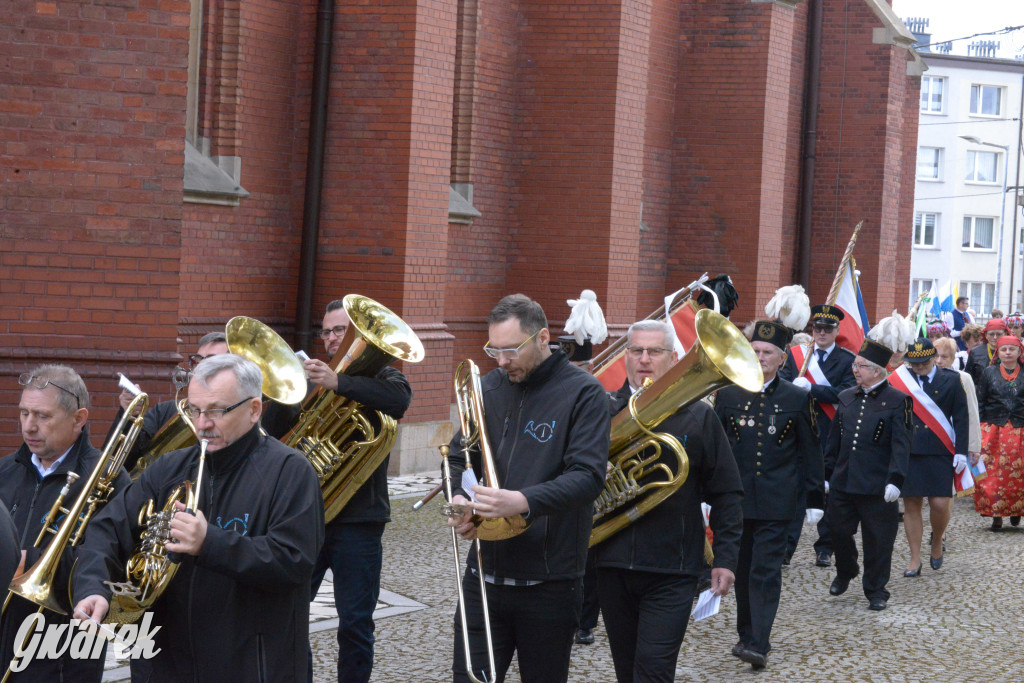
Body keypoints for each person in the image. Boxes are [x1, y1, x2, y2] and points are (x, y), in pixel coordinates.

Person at [74, 354, 325, 682]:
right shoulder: (169, 468)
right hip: (166, 665)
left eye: (217, 411)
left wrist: (210, 542)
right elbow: (106, 528)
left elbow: (294, 560)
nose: (202, 424)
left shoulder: (291, 471)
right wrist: (93, 586)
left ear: (254, 410)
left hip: (252, 666)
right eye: (194, 409)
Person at [446, 294, 610, 683]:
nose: (501, 361)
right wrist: (459, 497)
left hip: (550, 580)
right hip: (483, 574)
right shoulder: (489, 386)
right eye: (494, 350)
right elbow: (457, 458)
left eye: (510, 350)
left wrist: (522, 501)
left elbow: (588, 476)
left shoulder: (584, 392)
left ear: (542, 338)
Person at [593, 320, 742, 681]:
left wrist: (725, 559)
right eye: (636, 350)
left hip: (672, 568)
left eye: (654, 351)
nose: (644, 359)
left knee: (654, 668)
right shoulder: (600, 410)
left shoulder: (699, 416)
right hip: (611, 563)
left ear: (673, 358)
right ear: (625, 356)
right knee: (626, 669)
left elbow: (727, 492)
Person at [299, 299, 413, 683]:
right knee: (289, 612)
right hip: (309, 518)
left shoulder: (383, 374)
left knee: (356, 623)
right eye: (326, 331)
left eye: (340, 330)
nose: (332, 338)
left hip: (359, 521)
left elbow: (400, 400)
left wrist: (340, 383)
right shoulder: (310, 376)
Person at [0, 365, 130, 682]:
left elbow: (115, 561)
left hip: (63, 653)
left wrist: (27, 561)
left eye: (43, 416)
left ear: (79, 418)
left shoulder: (108, 479)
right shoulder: (5, 472)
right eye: (24, 413)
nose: (29, 426)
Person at [715, 320, 821, 670]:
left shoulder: (797, 397)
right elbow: (717, 450)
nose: (760, 357)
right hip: (737, 499)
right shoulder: (728, 395)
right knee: (743, 569)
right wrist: (707, 493)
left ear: (781, 359)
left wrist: (815, 499)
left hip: (778, 500)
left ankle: (759, 643)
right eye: (755, 351)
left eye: (767, 352)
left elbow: (810, 450)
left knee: (765, 570)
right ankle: (746, 634)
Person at [824, 335, 911, 611]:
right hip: (844, 480)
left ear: (877, 371)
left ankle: (875, 589)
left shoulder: (897, 400)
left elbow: (901, 445)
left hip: (877, 485)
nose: (855, 370)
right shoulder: (846, 397)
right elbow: (834, 441)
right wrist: (826, 474)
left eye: (861, 366)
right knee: (837, 530)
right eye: (855, 365)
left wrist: (895, 479)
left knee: (878, 541)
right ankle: (846, 569)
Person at [779, 304, 856, 567]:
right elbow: (783, 382)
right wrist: (794, 387)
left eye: (827, 329)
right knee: (795, 490)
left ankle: (825, 547)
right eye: (817, 328)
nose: (821, 333)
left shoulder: (846, 360)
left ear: (836, 331)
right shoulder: (797, 355)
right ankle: (786, 547)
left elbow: (846, 392)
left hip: (830, 432)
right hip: (799, 431)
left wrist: (812, 389)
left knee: (828, 491)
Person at [887, 339, 968, 576]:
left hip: (940, 449)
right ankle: (914, 558)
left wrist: (962, 451)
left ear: (933, 358)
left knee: (940, 503)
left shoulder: (951, 380)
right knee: (911, 504)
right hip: (910, 450)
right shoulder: (901, 380)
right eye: (914, 363)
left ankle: (937, 540)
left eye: (923, 362)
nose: (919, 367)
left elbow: (961, 417)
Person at [105, 331, 231, 472]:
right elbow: (115, 463)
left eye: (211, 362)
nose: (200, 369)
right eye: (197, 361)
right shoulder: (166, 411)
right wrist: (129, 416)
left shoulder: (237, 423)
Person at [973, 335, 1024, 530]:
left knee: (1019, 474)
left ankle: (1017, 511)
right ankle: (996, 514)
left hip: (1020, 428)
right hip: (993, 429)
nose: (1008, 353)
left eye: (1012, 349)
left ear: (1019, 352)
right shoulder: (989, 372)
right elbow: (980, 400)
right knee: (992, 473)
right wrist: (979, 427)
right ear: (998, 352)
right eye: (1004, 349)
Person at [933, 337, 982, 469]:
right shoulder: (923, 378)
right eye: (936, 356)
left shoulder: (963, 378)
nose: (939, 361)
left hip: (956, 437)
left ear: (953, 359)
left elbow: (972, 412)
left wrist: (974, 446)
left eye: (944, 357)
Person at [965, 318, 1007, 385]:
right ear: (986, 335)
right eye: (991, 334)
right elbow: (968, 378)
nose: (995, 337)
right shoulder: (975, 352)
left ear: (1005, 334)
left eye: (999, 334)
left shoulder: (1011, 351)